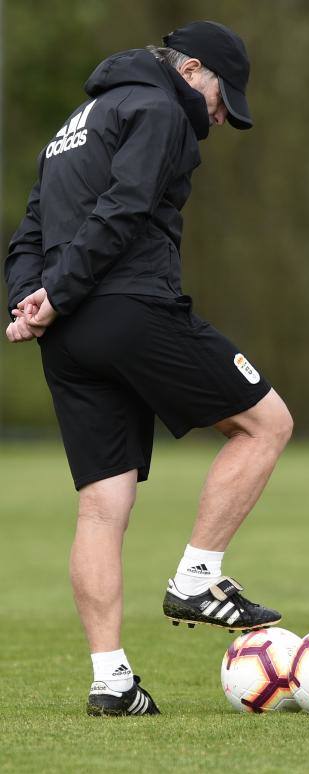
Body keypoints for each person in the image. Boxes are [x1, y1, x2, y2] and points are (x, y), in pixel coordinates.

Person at [4, 21, 292, 717]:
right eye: (224, 99)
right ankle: (199, 578)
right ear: (191, 68)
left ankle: (113, 682)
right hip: (129, 307)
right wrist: (64, 290)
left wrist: (29, 301)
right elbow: (126, 207)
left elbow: (31, 229)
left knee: (102, 507)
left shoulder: (76, 122)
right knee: (266, 423)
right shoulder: (162, 109)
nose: (221, 117)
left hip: (67, 338)